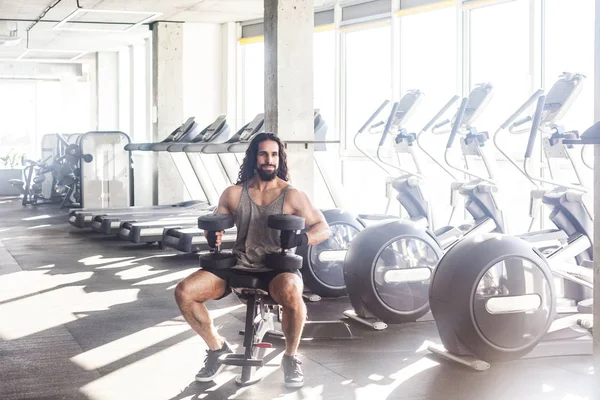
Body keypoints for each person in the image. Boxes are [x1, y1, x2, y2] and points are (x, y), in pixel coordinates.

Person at [174, 132, 331, 388]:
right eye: (263, 154)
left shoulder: (292, 195)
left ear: (279, 159)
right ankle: (217, 348)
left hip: (276, 269)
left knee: (292, 292)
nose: (269, 160)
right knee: (184, 292)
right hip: (238, 264)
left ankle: (290, 358)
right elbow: (215, 222)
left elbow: (323, 228)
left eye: (273, 154)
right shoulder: (234, 194)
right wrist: (213, 234)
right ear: (253, 158)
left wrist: (299, 240)